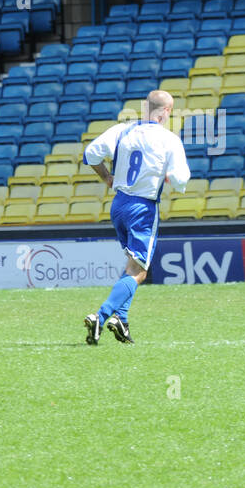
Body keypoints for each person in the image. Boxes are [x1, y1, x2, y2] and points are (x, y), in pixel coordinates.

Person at [81, 89, 191, 345]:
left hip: (119, 204)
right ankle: (101, 315)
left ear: (145, 108)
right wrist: (170, 178)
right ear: (166, 112)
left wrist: (107, 177)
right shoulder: (169, 139)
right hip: (143, 208)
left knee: (131, 265)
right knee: (139, 271)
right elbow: (180, 178)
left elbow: (90, 154)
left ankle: (122, 321)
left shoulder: (122, 130)